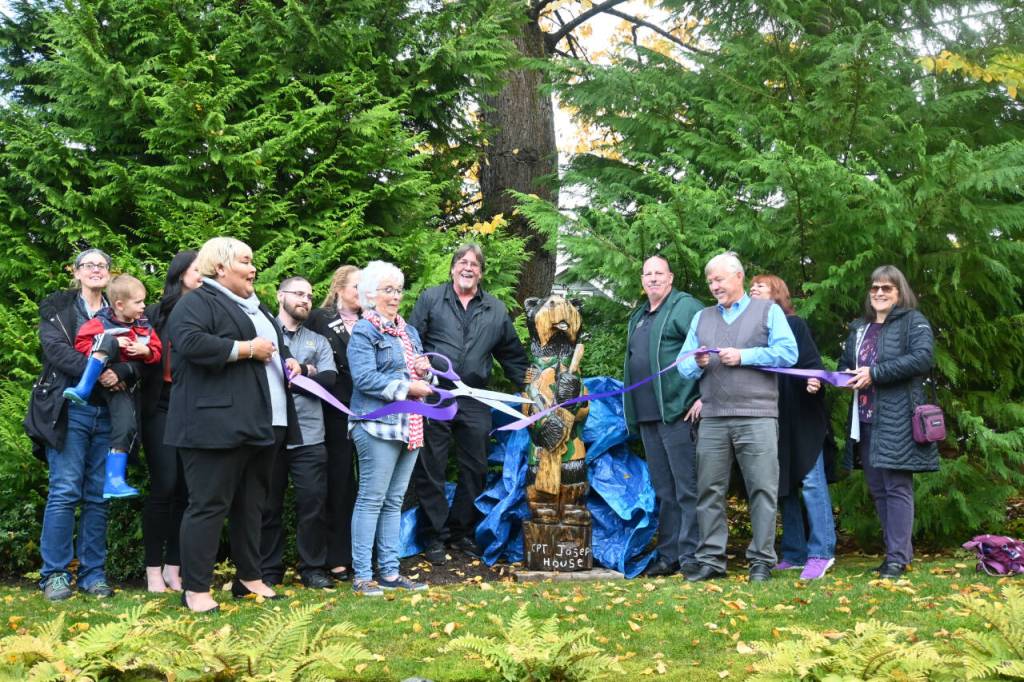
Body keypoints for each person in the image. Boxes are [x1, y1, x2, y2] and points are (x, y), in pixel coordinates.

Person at [165, 237, 301, 613]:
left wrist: (287, 361)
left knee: (251, 505)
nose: (253, 268)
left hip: (260, 424)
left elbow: (271, 347)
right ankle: (195, 589)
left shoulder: (255, 307)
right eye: (245, 261)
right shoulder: (197, 301)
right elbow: (190, 342)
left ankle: (249, 578)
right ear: (220, 267)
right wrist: (245, 349)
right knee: (208, 505)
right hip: (213, 425)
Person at [677, 252, 798, 582]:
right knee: (709, 490)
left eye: (719, 279)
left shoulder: (768, 311)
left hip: (757, 416)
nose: (714, 286)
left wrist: (745, 356)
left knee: (762, 489)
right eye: (710, 281)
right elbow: (683, 365)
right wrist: (697, 362)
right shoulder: (701, 318)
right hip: (713, 417)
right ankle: (712, 561)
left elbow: (789, 353)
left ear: (739, 277)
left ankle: (761, 561)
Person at [408, 243, 528, 564]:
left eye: (475, 264)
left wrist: (534, 388)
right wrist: (413, 370)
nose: (468, 267)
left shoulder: (496, 310)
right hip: (434, 394)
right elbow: (410, 340)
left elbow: (513, 357)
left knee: (475, 466)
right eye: (462, 262)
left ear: (481, 273)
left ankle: (461, 533)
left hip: (474, 396)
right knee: (431, 464)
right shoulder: (431, 298)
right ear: (452, 268)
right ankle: (433, 536)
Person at [28, 248, 132, 600]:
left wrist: (122, 371)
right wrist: (100, 371)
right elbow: (55, 351)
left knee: (97, 496)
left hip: (108, 413)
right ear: (75, 272)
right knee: (65, 490)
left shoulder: (118, 309)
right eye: (89, 265)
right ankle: (54, 575)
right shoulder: (58, 309)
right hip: (68, 411)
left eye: (102, 265)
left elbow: (139, 352)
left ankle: (92, 576)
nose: (96, 270)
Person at [838, 265, 937, 580]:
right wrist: (834, 377)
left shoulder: (913, 322)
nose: (879, 293)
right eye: (874, 288)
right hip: (865, 419)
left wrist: (875, 373)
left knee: (897, 487)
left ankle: (896, 558)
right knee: (879, 489)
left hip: (897, 418)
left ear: (899, 292)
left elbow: (922, 359)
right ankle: (898, 556)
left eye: (886, 288)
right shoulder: (860, 328)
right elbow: (847, 366)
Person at [347, 260, 433, 596]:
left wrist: (426, 373)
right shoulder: (364, 331)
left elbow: (424, 374)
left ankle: (390, 572)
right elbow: (365, 378)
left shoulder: (409, 332)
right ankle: (363, 576)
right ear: (370, 295)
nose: (395, 296)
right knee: (371, 498)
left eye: (397, 289)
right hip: (375, 424)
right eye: (387, 290)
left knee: (394, 500)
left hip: (410, 424)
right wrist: (409, 387)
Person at [749, 274, 836, 580]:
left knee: (812, 483)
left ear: (778, 294)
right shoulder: (754, 332)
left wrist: (815, 381)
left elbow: (814, 364)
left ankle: (821, 552)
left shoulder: (794, 325)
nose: (754, 289)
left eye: (761, 285)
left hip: (803, 414)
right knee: (783, 487)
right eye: (752, 287)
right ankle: (795, 553)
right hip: (773, 417)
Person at [624, 255, 704, 577]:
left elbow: (708, 351)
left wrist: (702, 398)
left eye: (659, 273)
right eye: (648, 274)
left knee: (687, 488)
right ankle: (669, 555)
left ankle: (694, 556)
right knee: (664, 491)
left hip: (677, 412)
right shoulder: (639, 315)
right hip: (647, 416)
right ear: (642, 280)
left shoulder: (686, 307)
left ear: (670, 278)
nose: (653, 278)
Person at [260, 276, 337, 590]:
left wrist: (304, 371)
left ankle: (313, 569)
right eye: (299, 294)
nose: (305, 300)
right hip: (270, 431)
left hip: (309, 435)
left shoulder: (317, 341)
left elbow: (330, 378)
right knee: (267, 505)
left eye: (309, 295)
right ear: (281, 296)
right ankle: (268, 570)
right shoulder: (263, 334)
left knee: (313, 505)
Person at [67, 274, 163, 500]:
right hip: (97, 379)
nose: (143, 307)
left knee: (126, 424)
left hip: (121, 386)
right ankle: (83, 387)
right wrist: (111, 344)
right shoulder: (99, 322)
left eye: (143, 301)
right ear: (120, 304)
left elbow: (157, 354)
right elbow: (80, 344)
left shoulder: (145, 328)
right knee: (107, 339)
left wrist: (146, 352)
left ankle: (114, 480)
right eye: (138, 302)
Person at [139, 250, 201, 593]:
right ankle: (152, 569)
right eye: (197, 269)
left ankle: (173, 569)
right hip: (160, 405)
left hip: (194, 407)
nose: (203, 275)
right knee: (164, 484)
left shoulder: (209, 310)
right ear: (180, 273)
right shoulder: (154, 313)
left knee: (189, 492)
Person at [305, 265, 360, 582]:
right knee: (336, 483)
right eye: (356, 286)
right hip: (330, 412)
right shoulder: (319, 318)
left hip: (366, 413)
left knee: (359, 487)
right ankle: (333, 558)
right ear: (339, 287)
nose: (361, 292)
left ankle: (360, 554)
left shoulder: (371, 321)